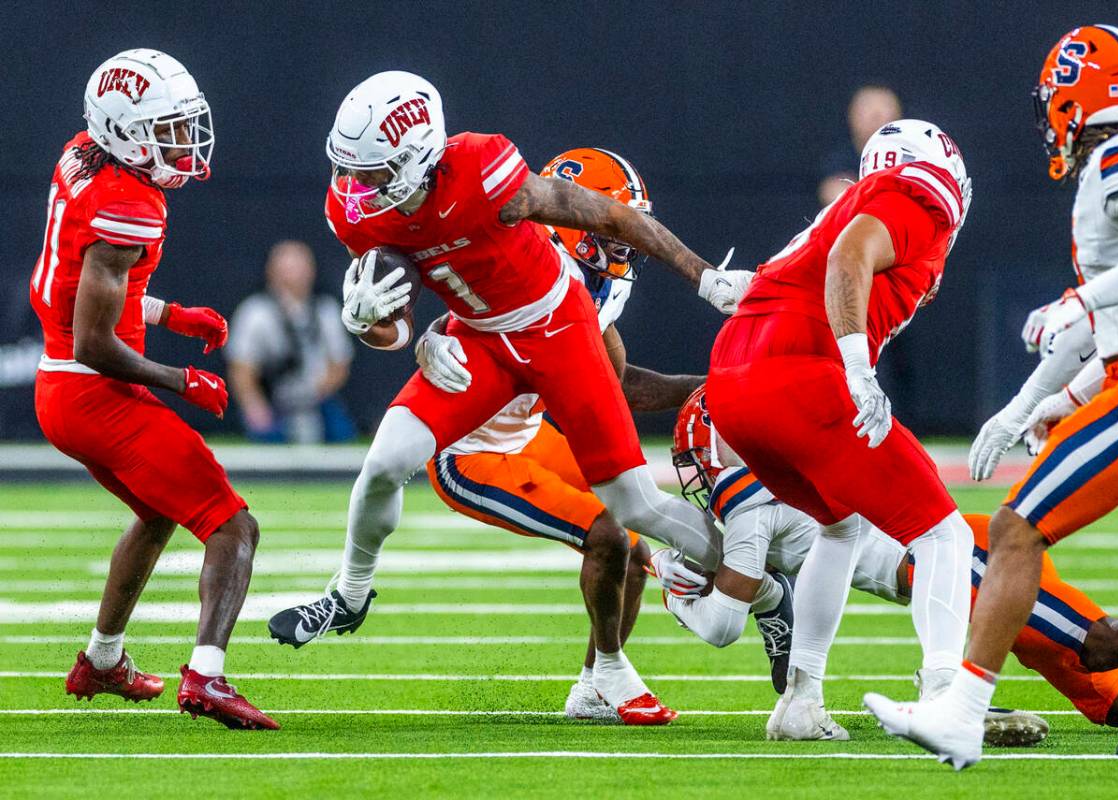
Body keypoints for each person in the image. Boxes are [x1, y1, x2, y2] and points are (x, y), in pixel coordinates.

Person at [267, 70, 753, 723]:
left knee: (632, 520)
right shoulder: (427, 203)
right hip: (481, 403)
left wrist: (708, 306)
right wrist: (388, 330)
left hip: (538, 383)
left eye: (374, 172)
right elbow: (430, 308)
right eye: (606, 239)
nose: (616, 247)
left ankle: (649, 642)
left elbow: (581, 298)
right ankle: (350, 592)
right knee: (598, 526)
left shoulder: (511, 210)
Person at [418, 147, 757, 723]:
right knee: (609, 535)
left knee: (635, 537)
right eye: (612, 220)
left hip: (524, 434)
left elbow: (615, 384)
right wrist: (427, 338)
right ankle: (608, 673)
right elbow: (454, 316)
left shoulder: (595, 284)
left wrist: (719, 385)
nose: (623, 242)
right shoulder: (522, 262)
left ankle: (594, 683)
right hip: (468, 450)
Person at [866, 24, 1118, 769]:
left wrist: (1077, 307)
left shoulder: (1112, 157)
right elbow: (1104, 323)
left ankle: (961, 708)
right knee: (1018, 536)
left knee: (1012, 531)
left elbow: (1094, 310)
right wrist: (1028, 403)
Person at [704, 118, 974, 745]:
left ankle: (801, 699)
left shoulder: (848, 203)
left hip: (733, 379)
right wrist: (856, 367)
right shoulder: (916, 195)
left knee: (841, 523)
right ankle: (943, 698)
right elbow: (850, 256)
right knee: (944, 534)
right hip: (799, 374)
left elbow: (794, 273)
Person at [30, 48, 275, 730]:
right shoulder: (129, 202)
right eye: (165, 128)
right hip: (89, 389)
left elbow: (78, 294)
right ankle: (208, 678)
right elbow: (95, 341)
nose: (182, 142)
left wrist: (165, 312)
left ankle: (102, 659)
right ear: (123, 130)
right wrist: (180, 379)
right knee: (232, 524)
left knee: (159, 512)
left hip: (62, 387)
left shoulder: (82, 154)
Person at [660, 388, 1118, 744]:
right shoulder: (792, 467)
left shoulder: (748, 499)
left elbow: (722, 624)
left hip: (970, 567)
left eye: (700, 456)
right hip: (956, 561)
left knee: (1098, 644)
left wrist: (674, 591)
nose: (699, 472)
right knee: (1108, 698)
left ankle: (947, 700)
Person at [226, 240, 356, 444]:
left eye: (300, 267)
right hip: (274, 401)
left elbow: (339, 364)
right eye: (287, 268)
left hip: (316, 399)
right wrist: (255, 407)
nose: (295, 275)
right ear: (272, 272)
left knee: (342, 439)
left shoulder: (325, 310)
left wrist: (314, 393)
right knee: (267, 442)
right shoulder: (255, 312)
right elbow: (241, 368)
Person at [818, 86, 903, 206]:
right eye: (867, 105)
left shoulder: (915, 156)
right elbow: (834, 194)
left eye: (885, 105)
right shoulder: (838, 161)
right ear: (851, 114)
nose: (876, 114)